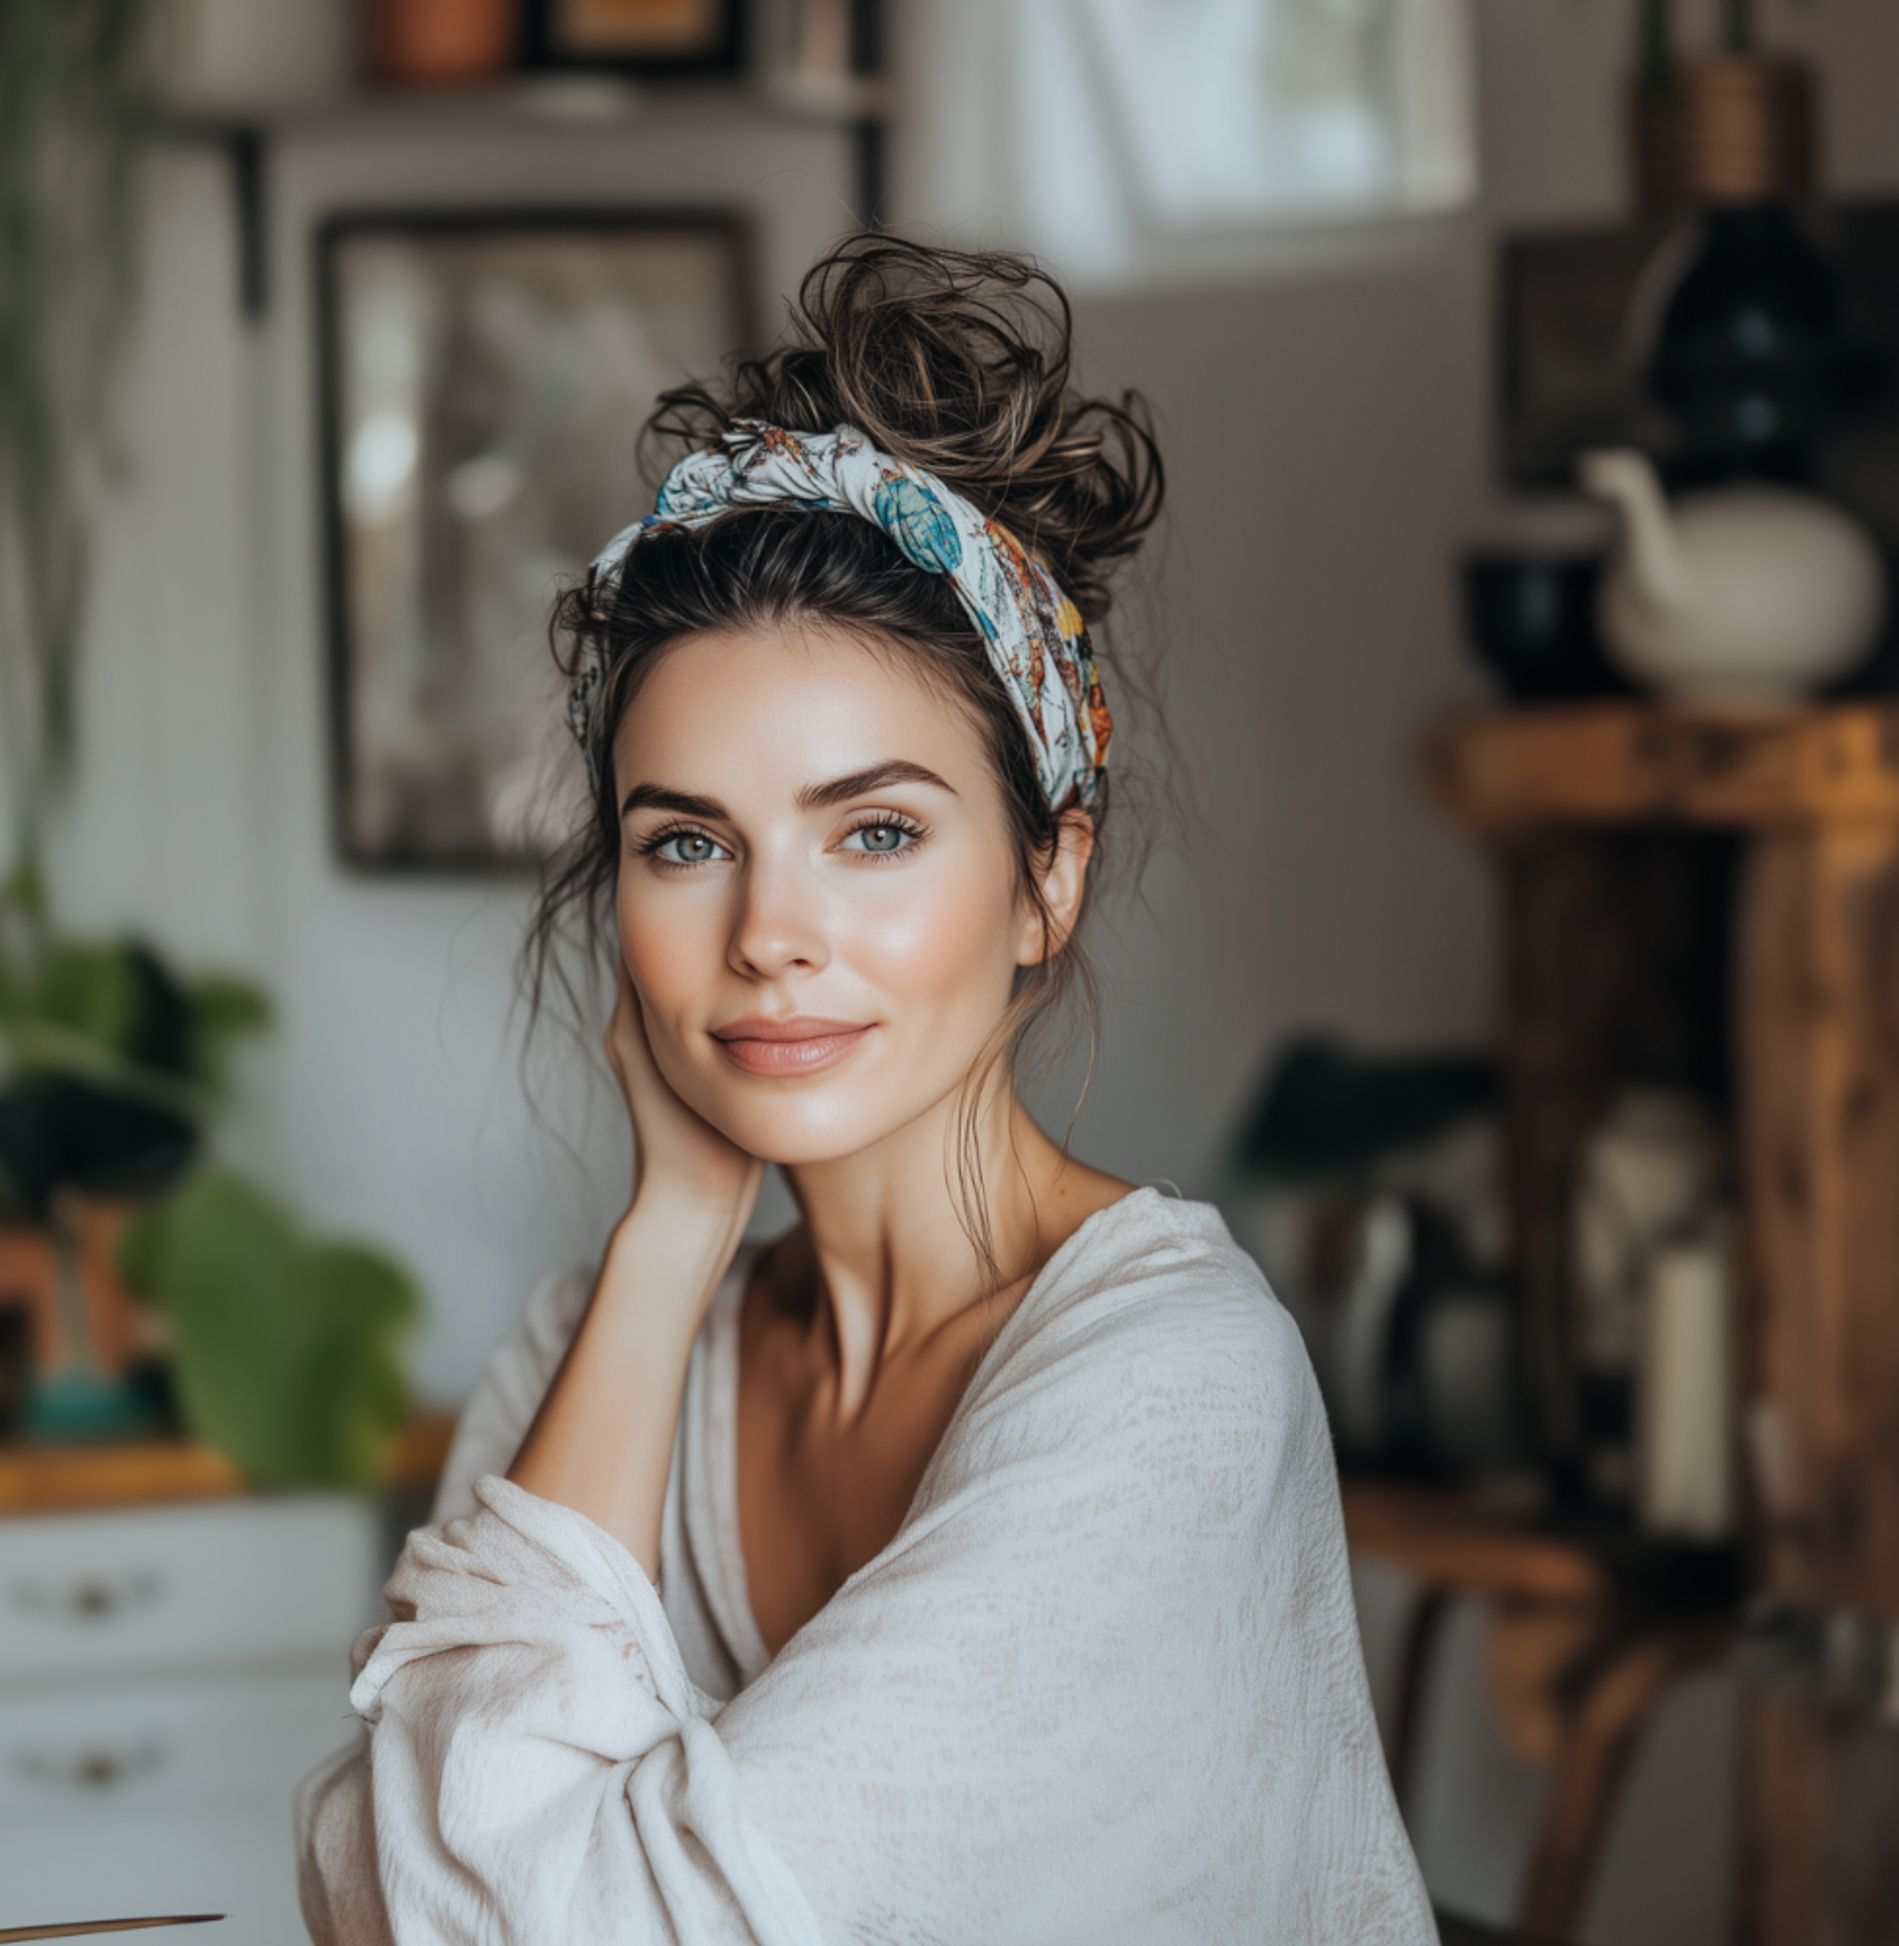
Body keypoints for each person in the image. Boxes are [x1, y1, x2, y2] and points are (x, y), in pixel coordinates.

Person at [296, 236, 1435, 1945]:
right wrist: (674, 1233)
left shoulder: (1170, 1387)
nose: (769, 934)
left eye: (874, 831)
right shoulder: (586, 1354)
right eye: (688, 843)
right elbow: (363, 1883)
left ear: (1047, 878)